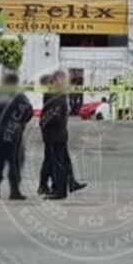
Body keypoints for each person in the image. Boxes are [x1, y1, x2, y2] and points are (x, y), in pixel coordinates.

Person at [0, 73, 33, 200]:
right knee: (15, 162)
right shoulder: (18, 96)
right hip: (14, 134)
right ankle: (14, 191)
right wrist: (20, 123)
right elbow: (29, 111)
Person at [41, 71, 83, 200]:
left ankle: (61, 188)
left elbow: (54, 115)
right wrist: (45, 123)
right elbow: (52, 114)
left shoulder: (58, 95)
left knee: (60, 162)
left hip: (57, 133)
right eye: (64, 80)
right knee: (58, 162)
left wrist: (44, 123)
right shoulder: (55, 95)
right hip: (56, 133)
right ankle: (58, 188)